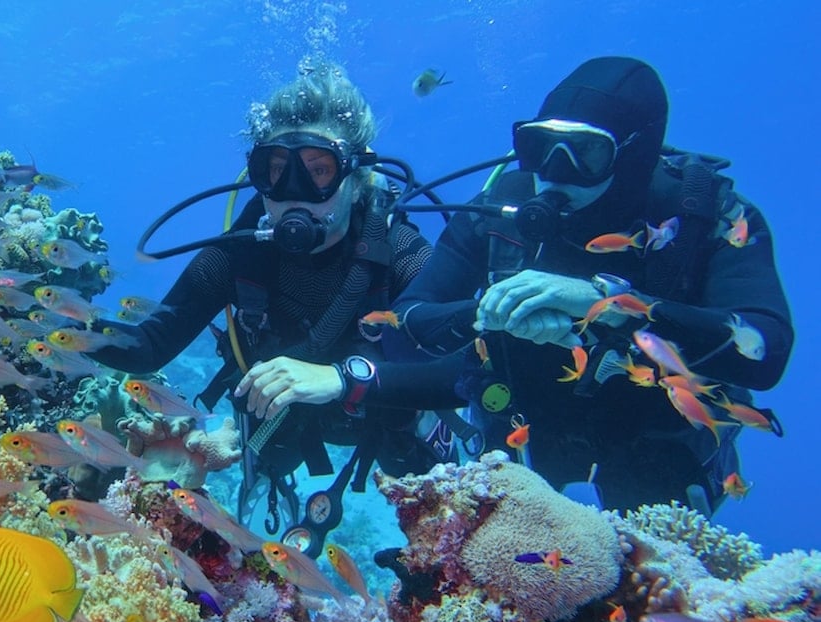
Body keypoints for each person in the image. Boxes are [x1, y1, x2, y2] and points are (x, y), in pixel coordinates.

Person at [388, 56, 793, 515]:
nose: (555, 171)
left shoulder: (706, 217)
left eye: (588, 152)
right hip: (520, 441)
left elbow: (767, 349)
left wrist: (616, 305)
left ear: (634, 153)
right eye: (540, 146)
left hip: (655, 449)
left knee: (646, 574)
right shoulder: (501, 211)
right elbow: (402, 326)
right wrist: (488, 311)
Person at [93, 64, 463, 555]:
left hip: (382, 409)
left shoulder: (400, 252)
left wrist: (344, 378)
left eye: (318, 172)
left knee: (428, 488)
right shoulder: (239, 252)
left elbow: (466, 365)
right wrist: (60, 324)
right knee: (268, 459)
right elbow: (149, 345)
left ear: (355, 177)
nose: (293, 195)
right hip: (282, 417)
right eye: (275, 171)